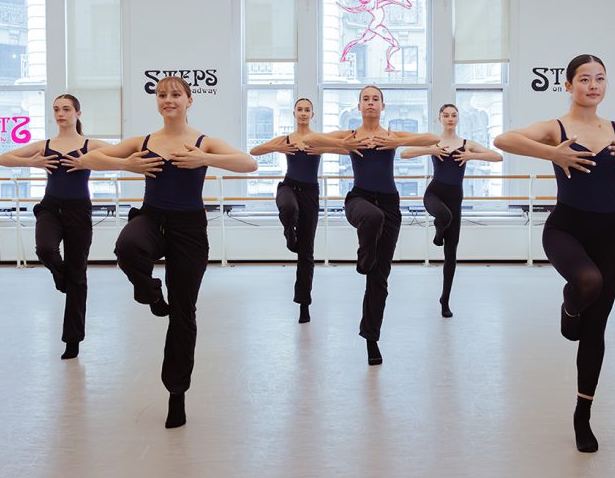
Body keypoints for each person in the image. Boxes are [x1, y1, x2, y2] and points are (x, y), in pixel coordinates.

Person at [493, 54, 615, 453]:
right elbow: (504, 140)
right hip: (565, 227)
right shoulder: (556, 127)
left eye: (600, 78)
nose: (593, 85)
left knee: (596, 330)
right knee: (586, 282)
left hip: (608, 233)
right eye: (584, 79)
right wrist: (553, 154)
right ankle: (569, 306)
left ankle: (583, 415)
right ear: (568, 85)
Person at [76, 76, 257, 428]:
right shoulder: (144, 142)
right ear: (156, 102)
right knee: (127, 247)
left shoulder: (202, 142)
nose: (167, 99)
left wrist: (203, 158)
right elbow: (89, 159)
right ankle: (151, 293)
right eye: (161, 95)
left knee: (184, 313)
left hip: (189, 229)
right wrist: (127, 165)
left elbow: (249, 164)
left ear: (189, 101)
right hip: (151, 217)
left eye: (175, 94)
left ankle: (177, 394)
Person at [304, 85, 438, 365]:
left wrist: (396, 143)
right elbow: (313, 138)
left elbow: (431, 137)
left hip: (390, 204)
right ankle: (364, 255)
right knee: (372, 219)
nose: (370, 103)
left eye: (375, 99)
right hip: (359, 201)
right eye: (365, 99)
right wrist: (345, 145)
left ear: (383, 106)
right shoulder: (351, 135)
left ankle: (371, 338)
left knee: (379, 278)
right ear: (359, 106)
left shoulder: (391, 135)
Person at [0, 94, 110, 360]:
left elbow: (122, 154)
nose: (60, 113)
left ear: (78, 113)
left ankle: (73, 340)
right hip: (50, 206)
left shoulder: (90, 145)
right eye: (56, 109)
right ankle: (62, 277)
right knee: (45, 248)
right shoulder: (45, 145)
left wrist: (88, 161)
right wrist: (29, 162)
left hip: (79, 210)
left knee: (79, 275)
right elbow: (2, 158)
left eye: (66, 109)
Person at [400, 103, 502, 318]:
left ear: (457, 119)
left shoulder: (466, 144)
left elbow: (497, 156)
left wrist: (471, 156)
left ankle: (445, 299)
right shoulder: (433, 141)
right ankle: (438, 232)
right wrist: (430, 149)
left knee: (451, 253)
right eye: (446, 115)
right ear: (440, 118)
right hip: (434, 193)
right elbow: (405, 153)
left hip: (456, 197)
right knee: (444, 216)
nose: (450, 118)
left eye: (454, 115)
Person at [250, 98, 340, 324]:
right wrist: (278, 147)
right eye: (299, 109)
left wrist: (326, 146)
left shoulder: (318, 140)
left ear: (313, 114)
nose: (303, 113)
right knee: (289, 208)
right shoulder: (287, 139)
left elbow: (344, 149)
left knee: (306, 253)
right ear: (293, 113)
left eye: (307, 110)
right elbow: (255, 150)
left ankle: (304, 304)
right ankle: (290, 233)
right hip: (288, 186)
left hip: (310, 193)